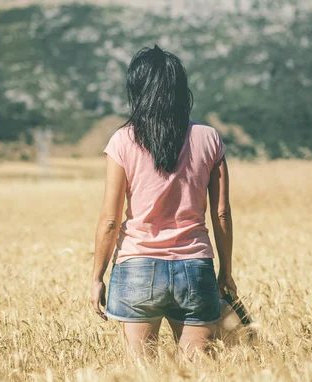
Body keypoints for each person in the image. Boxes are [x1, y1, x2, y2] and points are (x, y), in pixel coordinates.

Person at [90, 45, 236, 356]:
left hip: (137, 267)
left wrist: (97, 277)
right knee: (201, 376)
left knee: (143, 378)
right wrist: (226, 272)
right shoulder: (210, 138)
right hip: (195, 267)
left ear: (137, 89)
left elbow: (111, 218)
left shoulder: (122, 140)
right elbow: (221, 214)